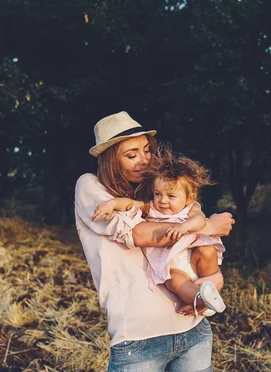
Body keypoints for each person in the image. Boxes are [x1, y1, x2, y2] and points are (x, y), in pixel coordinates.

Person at [74, 111, 235, 371]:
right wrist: (208, 225)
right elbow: (139, 234)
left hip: (191, 327)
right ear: (110, 160)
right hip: (139, 337)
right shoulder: (90, 186)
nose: (144, 160)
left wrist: (210, 284)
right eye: (131, 155)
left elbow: (192, 237)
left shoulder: (158, 191)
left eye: (146, 150)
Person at [92, 147, 226, 317]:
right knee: (176, 281)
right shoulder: (151, 208)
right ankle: (201, 299)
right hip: (170, 264)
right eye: (157, 194)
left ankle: (210, 287)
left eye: (171, 196)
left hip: (193, 258)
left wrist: (184, 228)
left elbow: (200, 221)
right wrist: (111, 205)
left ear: (189, 197)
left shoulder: (191, 209)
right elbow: (129, 204)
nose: (162, 201)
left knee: (207, 250)